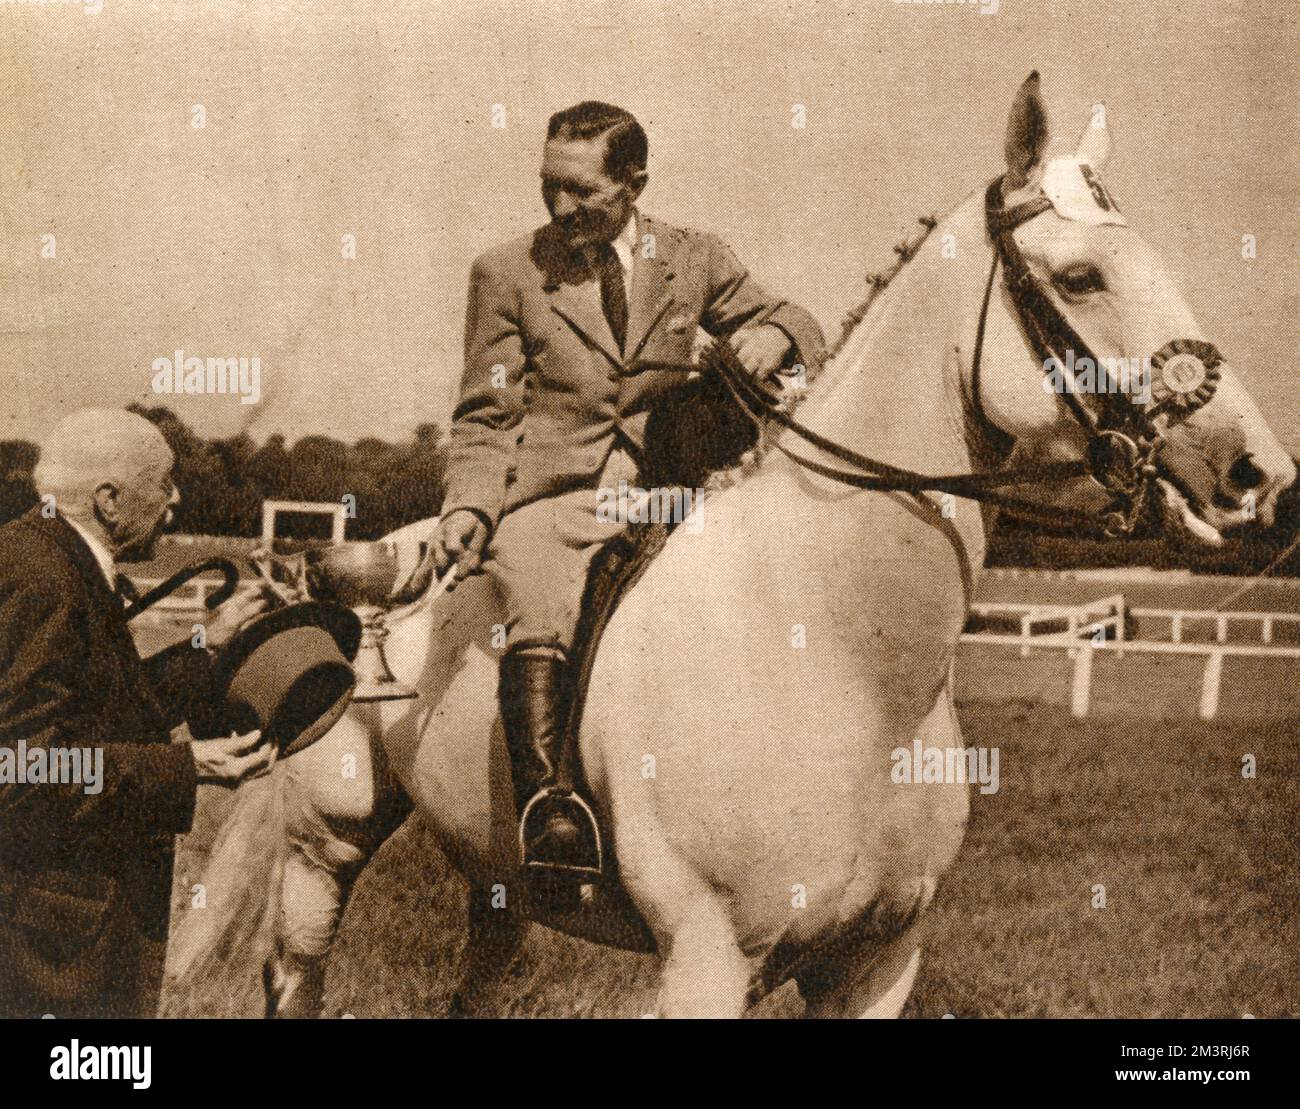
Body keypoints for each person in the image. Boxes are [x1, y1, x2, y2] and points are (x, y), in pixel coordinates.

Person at [399, 101, 824, 879]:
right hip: (551, 499)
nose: (561, 209)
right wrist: (468, 505)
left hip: (669, 491)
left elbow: (793, 314)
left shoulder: (693, 258)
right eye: (547, 187)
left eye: (581, 192)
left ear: (634, 185)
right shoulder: (506, 273)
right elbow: (486, 415)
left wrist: (776, 334)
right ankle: (549, 813)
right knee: (541, 601)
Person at [0, 408, 273, 1017]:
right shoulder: (45, 578)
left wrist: (210, 641)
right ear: (110, 501)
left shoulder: (44, 553)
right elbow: (22, 769)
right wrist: (184, 767)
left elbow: (102, 709)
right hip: (49, 949)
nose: (175, 499)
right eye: (163, 482)